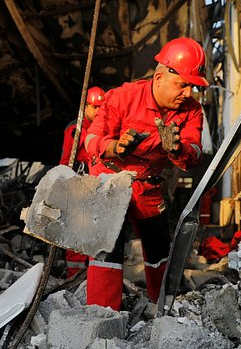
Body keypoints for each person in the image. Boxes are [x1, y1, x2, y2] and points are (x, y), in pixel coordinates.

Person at [84, 37, 208, 310]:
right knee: (107, 248)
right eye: (183, 85)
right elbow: (91, 141)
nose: (188, 93)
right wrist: (115, 148)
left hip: (148, 186)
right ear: (160, 77)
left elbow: (194, 155)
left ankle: (162, 305)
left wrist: (178, 149)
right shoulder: (122, 97)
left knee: (159, 249)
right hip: (111, 180)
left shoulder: (192, 111)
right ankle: (102, 315)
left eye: (192, 87)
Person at [59, 86, 105, 278]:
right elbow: (65, 160)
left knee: (90, 231)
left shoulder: (99, 127)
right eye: (95, 108)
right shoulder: (75, 129)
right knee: (76, 232)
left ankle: (88, 273)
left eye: (101, 108)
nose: (98, 112)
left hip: (93, 185)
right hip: (78, 186)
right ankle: (74, 274)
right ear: (85, 107)